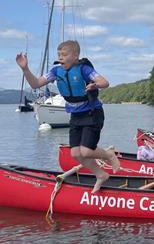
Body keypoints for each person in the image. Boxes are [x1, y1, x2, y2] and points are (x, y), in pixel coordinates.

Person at [16, 40, 120, 193]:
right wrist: (25, 69)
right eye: (59, 55)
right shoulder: (56, 71)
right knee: (75, 153)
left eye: (64, 54)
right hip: (76, 115)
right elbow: (36, 83)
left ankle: (109, 155)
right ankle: (101, 175)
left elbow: (104, 82)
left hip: (92, 113)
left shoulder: (84, 69)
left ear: (76, 55)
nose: (61, 57)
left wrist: (95, 85)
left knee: (85, 151)